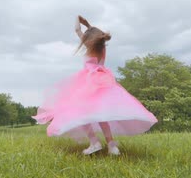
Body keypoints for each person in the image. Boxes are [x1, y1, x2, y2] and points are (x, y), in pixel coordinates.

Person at [32, 15, 158, 155]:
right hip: (103, 81)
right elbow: (95, 35)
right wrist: (89, 26)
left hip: (88, 81)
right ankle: (112, 146)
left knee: (80, 111)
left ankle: (94, 142)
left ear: (89, 39)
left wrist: (80, 20)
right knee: (101, 114)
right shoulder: (102, 48)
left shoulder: (89, 46)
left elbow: (76, 29)